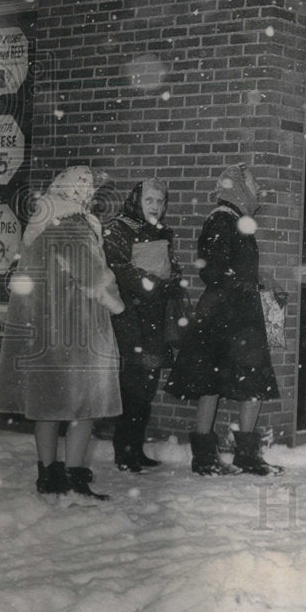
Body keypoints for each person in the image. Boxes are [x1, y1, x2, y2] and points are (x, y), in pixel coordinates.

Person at [0, 165, 125, 500]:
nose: (92, 197)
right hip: (77, 332)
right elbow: (93, 278)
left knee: (47, 405)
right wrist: (117, 301)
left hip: (43, 330)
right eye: (90, 191)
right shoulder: (74, 225)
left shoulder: (40, 224)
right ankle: (75, 477)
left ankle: (49, 475)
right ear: (78, 192)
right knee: (85, 408)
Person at [166, 164, 285, 476]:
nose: (259, 189)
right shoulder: (222, 218)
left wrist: (259, 276)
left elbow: (230, 264)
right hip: (226, 316)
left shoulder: (234, 219)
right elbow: (213, 270)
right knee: (217, 382)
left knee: (234, 382)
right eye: (254, 183)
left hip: (235, 313)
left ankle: (239, 456)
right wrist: (246, 284)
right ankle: (208, 457)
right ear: (239, 188)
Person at [103, 178, 182, 472]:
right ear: (137, 200)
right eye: (150, 200)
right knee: (133, 384)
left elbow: (172, 267)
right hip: (130, 318)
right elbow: (118, 268)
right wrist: (151, 283)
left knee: (147, 385)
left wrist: (172, 280)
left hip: (154, 318)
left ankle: (135, 449)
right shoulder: (119, 228)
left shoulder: (160, 231)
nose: (156, 207)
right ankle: (124, 451)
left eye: (161, 201)